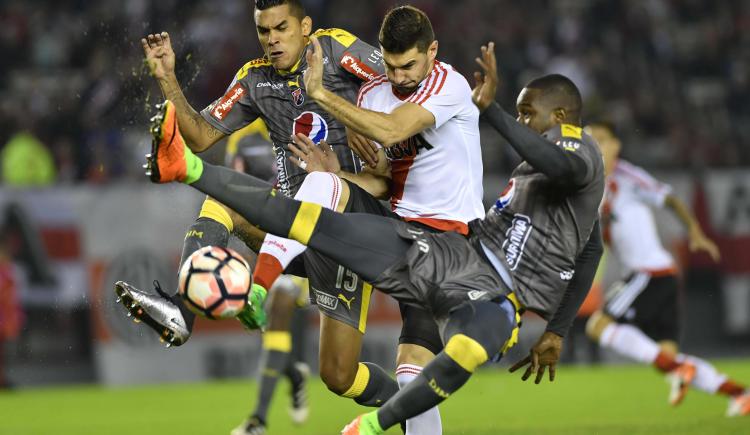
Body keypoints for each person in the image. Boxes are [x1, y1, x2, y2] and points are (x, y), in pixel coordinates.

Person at [141, 64, 605, 434]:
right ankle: (189, 171)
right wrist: (345, 173)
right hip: (429, 250)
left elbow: (587, 237)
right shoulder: (527, 169)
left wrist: (497, 114)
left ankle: (373, 421)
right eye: (520, 114)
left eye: (530, 115)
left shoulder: (569, 152)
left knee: (419, 371)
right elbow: (386, 178)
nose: (524, 123)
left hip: (474, 274)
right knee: (315, 203)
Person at [113, 1, 393, 433]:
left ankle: (409, 407)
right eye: (264, 31)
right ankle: (181, 312)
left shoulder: (335, 51)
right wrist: (168, 78)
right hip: (292, 227)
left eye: (282, 28)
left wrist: (367, 115)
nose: (272, 38)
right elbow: (202, 136)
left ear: (305, 26)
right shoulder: (255, 79)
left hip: (349, 229)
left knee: (338, 375)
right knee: (221, 200)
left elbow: (400, 76)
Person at [253, 6, 489, 433]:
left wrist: (322, 94)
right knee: (326, 186)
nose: (398, 77)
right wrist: (337, 174)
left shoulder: (448, 84)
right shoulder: (373, 94)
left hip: (449, 243)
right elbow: (382, 182)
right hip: (400, 232)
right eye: (392, 65)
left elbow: (394, 131)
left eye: (409, 66)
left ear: (432, 51)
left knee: (410, 371)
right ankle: (258, 286)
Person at [584, 122, 750, 417]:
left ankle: (679, 368)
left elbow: (669, 197)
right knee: (668, 359)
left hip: (649, 273)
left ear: (616, 146)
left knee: (597, 326)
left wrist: (695, 231)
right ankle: (739, 393)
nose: (593, 145)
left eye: (600, 139)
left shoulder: (626, 176)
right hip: (662, 276)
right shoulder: (592, 184)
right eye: (588, 139)